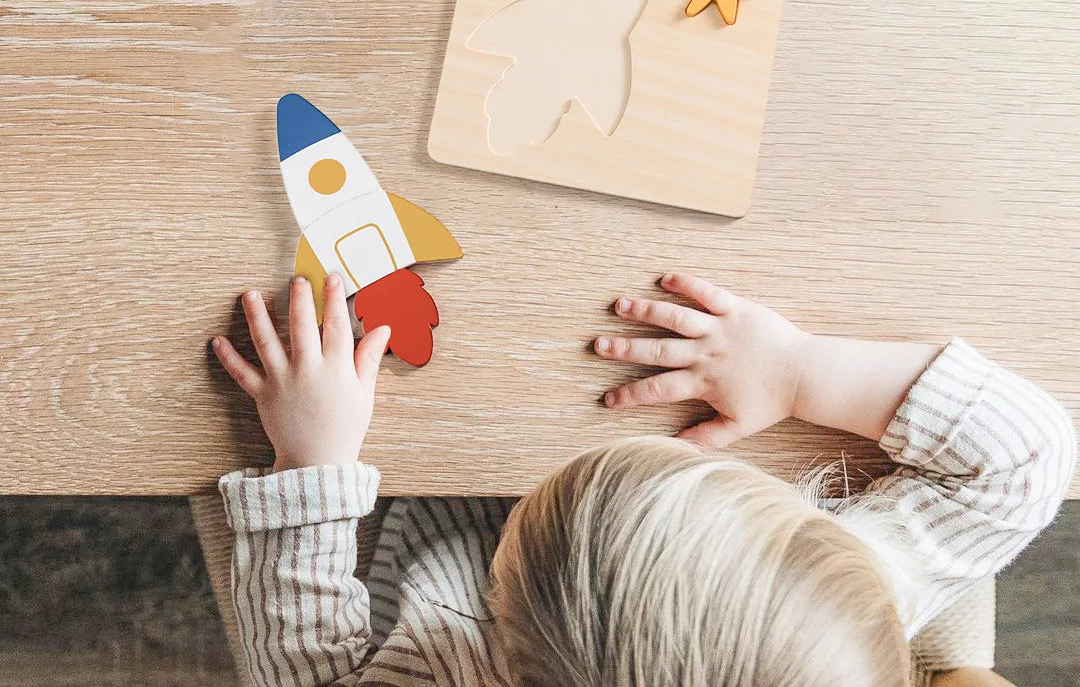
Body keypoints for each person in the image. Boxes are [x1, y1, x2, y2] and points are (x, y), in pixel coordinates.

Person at [210, 272, 1075, 687]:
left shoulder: (442, 674)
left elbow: (305, 673)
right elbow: (1028, 456)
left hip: (438, 505)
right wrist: (800, 370)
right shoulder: (845, 590)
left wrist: (312, 466)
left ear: (512, 650)